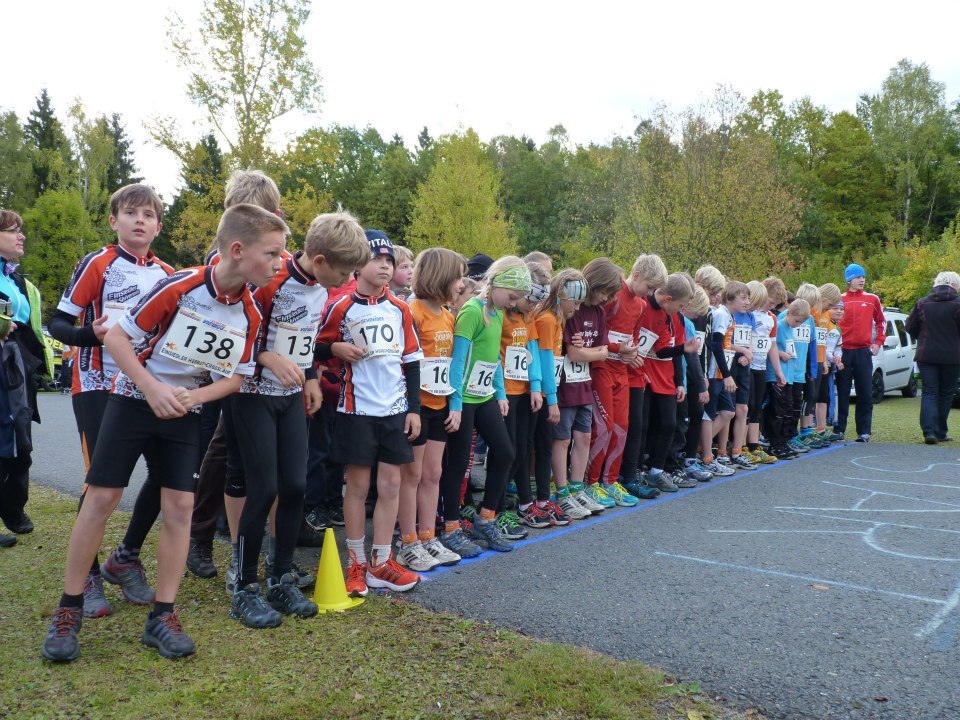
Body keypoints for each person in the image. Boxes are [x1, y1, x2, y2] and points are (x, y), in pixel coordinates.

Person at [41, 203, 286, 662]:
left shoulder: (252, 310)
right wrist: (152, 387)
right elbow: (116, 338)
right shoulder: (181, 284)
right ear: (237, 250)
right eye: (272, 253)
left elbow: (237, 376)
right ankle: (69, 608)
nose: (279, 263)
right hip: (133, 399)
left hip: (184, 412)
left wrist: (194, 399)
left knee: (180, 505)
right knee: (101, 498)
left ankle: (163, 615)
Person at [225, 210, 369, 629]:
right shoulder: (269, 280)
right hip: (252, 395)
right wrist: (266, 357)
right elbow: (239, 334)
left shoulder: (321, 290)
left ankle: (280, 575)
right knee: (264, 487)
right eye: (342, 272)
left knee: (295, 485)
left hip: (289, 397)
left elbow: (303, 341)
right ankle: (245, 587)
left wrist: (308, 378)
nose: (346, 282)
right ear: (319, 260)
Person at [48, 184, 174, 618]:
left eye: (149, 215)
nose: (140, 220)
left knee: (167, 474)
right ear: (114, 220)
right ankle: (87, 576)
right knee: (104, 482)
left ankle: (126, 555)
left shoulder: (168, 274)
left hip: (147, 385)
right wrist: (91, 334)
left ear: (159, 226)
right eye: (131, 213)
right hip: (98, 381)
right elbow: (58, 323)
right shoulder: (98, 263)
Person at [315, 230, 424, 597]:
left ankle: (381, 562)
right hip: (355, 409)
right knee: (358, 486)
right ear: (357, 265)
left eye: (389, 260)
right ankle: (356, 563)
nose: (384, 265)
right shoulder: (341, 306)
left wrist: (414, 410)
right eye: (377, 259)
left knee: (391, 485)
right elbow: (315, 348)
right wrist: (335, 347)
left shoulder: (401, 308)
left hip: (394, 410)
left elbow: (411, 362)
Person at [436, 256, 532, 556]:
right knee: (459, 463)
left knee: (505, 451)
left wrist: (501, 393)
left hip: (486, 394)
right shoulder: (471, 311)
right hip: (464, 399)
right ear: (495, 284)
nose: (513, 303)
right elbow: (458, 360)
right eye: (511, 296)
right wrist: (454, 402)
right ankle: (451, 527)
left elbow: (494, 358)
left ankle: (486, 518)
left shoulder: (498, 312)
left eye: (518, 299)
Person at [396, 248, 466, 570]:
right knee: (411, 474)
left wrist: (455, 403)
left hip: (440, 404)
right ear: (441, 277)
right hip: (418, 406)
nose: (461, 285)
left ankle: (427, 536)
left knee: (433, 473)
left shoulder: (449, 315)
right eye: (457, 278)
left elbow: (452, 364)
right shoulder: (413, 311)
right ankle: (407, 540)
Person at [0, 209, 53, 549]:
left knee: (19, 439)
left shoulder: (20, 281)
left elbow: (33, 329)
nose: (21, 236)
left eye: (21, 230)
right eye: (12, 230)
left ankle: (13, 507)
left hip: (19, 368)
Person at [906, 271, 960, 444]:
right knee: (946, 394)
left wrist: (920, 337)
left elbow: (910, 326)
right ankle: (941, 432)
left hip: (926, 353)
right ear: (954, 285)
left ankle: (929, 431)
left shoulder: (922, 303)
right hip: (952, 356)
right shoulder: (958, 304)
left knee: (929, 392)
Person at [835, 263, 885, 443]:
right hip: (843, 351)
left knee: (865, 392)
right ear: (849, 280)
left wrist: (878, 342)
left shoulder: (872, 298)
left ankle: (864, 431)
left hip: (863, 352)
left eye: (863, 277)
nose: (862, 280)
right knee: (842, 391)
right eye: (858, 277)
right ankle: (839, 429)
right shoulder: (839, 299)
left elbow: (881, 322)